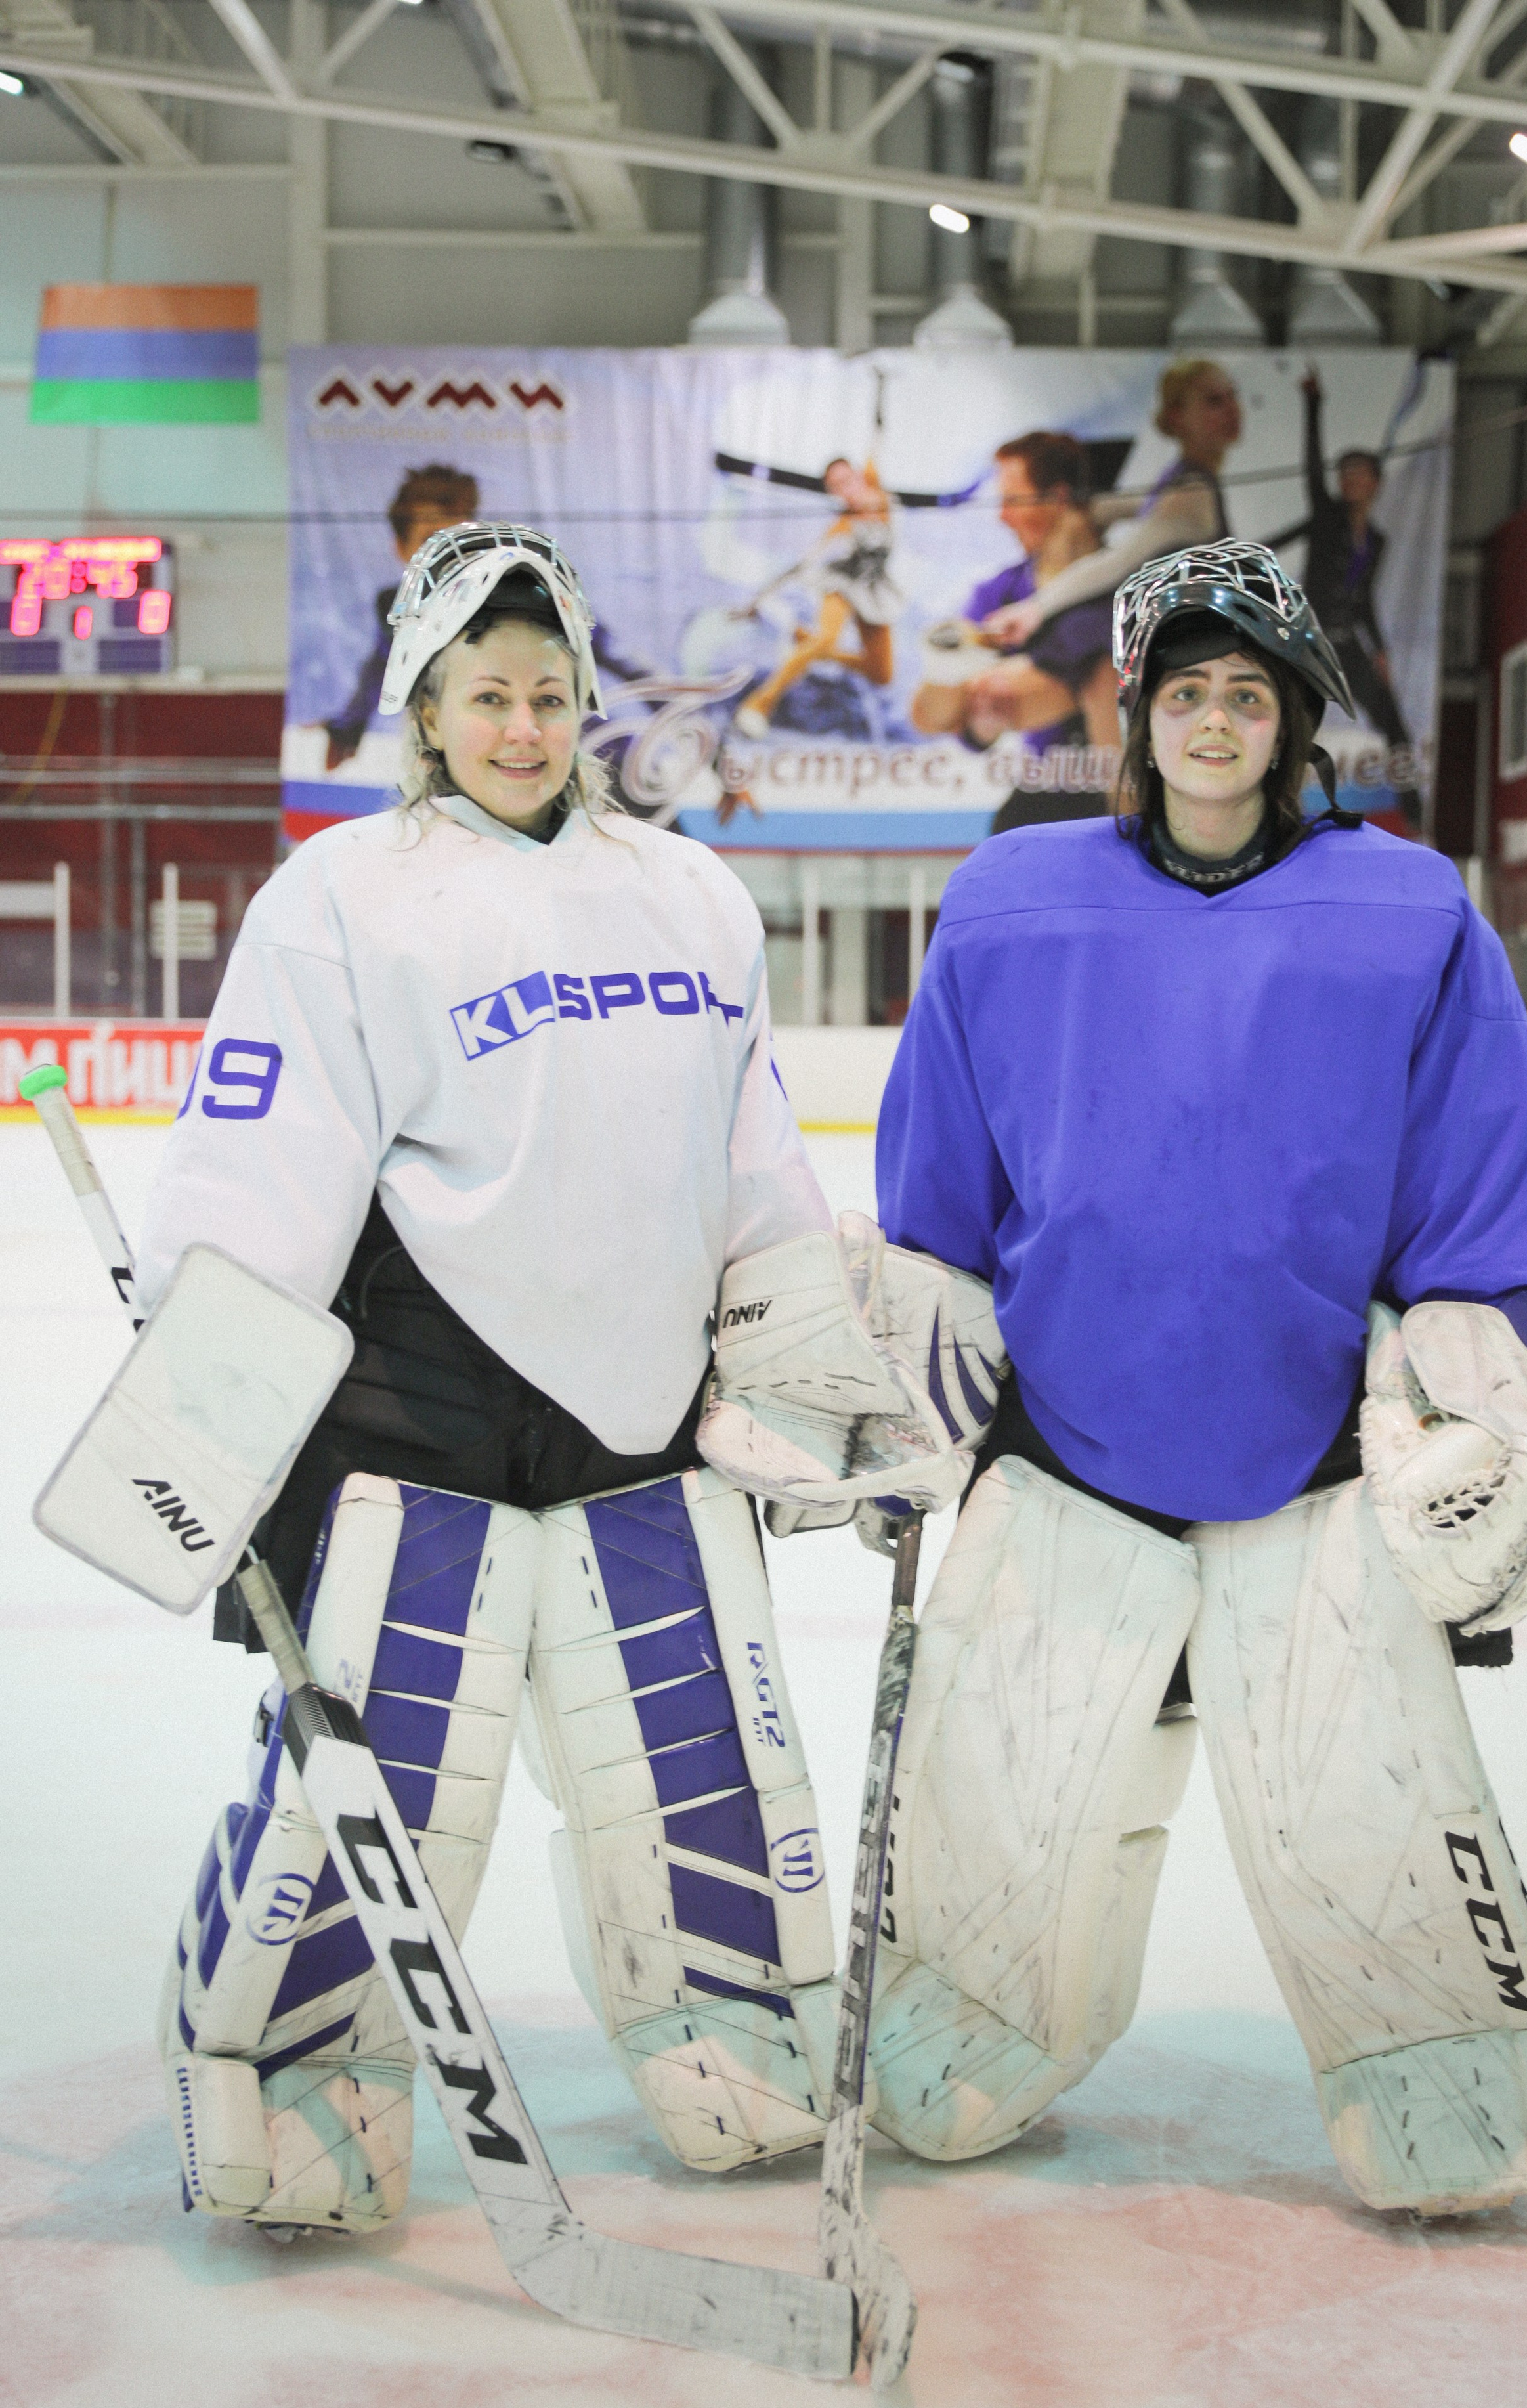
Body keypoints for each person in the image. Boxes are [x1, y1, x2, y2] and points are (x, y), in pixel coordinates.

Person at [138, 522, 878, 2236]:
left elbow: (750, 1154)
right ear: (427, 699)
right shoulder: (341, 895)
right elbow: (259, 1167)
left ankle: (727, 2028)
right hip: (421, 1410)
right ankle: (296, 2077)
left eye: (549, 693)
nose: (525, 724)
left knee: (693, 1750)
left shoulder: (690, 894)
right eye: (489, 693)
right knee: (387, 1769)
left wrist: (805, 1356)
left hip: (645, 1417)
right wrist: (212, 1407)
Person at [848, 540, 1527, 2212]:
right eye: (1180, 690)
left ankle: (1448, 2085)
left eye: (1242, 693)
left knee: (1367, 1817)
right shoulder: (1012, 903)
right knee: (1001, 1812)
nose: (1209, 721)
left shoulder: (1401, 910)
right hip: (1060, 1455)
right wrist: (906, 1360)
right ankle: (964, 2033)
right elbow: (938, 1202)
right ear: (1136, 714)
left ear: (1289, 721)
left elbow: (1473, 1177)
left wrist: (1479, 1357)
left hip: (1314, 1461)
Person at [909, 431, 1121, 831]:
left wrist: (1009, 684)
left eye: (1011, 500)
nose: (1001, 517)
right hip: (1049, 792)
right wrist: (978, 720)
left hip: (1124, 801)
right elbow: (929, 716)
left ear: (1057, 498)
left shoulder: (1127, 588)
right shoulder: (1001, 592)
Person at [977, 359, 1241, 654]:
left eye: (1233, 396)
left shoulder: (1189, 488)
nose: (1233, 409)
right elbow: (1125, 546)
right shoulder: (1185, 485)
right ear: (1178, 417)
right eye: (1215, 400)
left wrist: (1037, 607)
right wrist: (1037, 608)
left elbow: (1124, 551)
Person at [1268, 366, 1424, 830]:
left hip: (1350, 646)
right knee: (1296, 730)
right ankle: (1275, 812)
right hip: (1313, 643)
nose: (1350, 481)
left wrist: (1380, 653)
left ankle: (1416, 815)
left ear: (1375, 483)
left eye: (1360, 474)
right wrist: (1314, 403)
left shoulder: (1376, 540)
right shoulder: (1326, 516)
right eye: (1345, 474)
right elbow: (1312, 465)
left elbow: (1364, 602)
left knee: (1395, 726)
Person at [320, 463, 479, 769]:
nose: (447, 554)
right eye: (430, 540)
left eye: (459, 541)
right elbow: (383, 665)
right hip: (429, 741)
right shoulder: (395, 606)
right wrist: (347, 728)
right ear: (402, 549)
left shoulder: (507, 596)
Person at [733, 456, 901, 737]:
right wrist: (758, 601)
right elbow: (801, 566)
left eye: (847, 481)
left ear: (859, 477)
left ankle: (806, 642)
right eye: (836, 487)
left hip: (872, 591)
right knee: (826, 638)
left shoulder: (879, 496)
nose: (844, 490)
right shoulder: (840, 528)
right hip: (841, 583)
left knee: (881, 673)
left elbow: (875, 446)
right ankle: (760, 704)